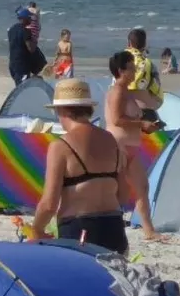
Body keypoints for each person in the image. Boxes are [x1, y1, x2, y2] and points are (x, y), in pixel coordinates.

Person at [26, 80, 138, 253]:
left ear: (61, 110)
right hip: (114, 229)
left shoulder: (61, 146)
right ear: (88, 109)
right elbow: (123, 194)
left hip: (80, 230)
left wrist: (36, 230)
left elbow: (49, 204)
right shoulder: (112, 141)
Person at [104, 53, 162, 242]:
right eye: (131, 68)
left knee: (142, 187)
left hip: (131, 146)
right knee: (117, 190)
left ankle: (149, 231)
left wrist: (146, 126)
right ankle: (112, 225)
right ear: (121, 71)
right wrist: (141, 124)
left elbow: (131, 119)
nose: (135, 71)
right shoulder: (117, 91)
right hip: (118, 145)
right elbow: (116, 119)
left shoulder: (128, 91)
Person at [5, 8, 45, 85]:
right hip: (22, 65)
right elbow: (31, 49)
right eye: (29, 18)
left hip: (12, 64)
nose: (30, 20)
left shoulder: (11, 29)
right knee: (23, 88)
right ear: (24, 19)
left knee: (19, 86)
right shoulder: (26, 31)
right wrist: (34, 42)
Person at [124, 28, 161, 111]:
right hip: (145, 109)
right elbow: (157, 88)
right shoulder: (149, 64)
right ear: (144, 44)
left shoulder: (119, 61)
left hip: (125, 108)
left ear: (129, 43)